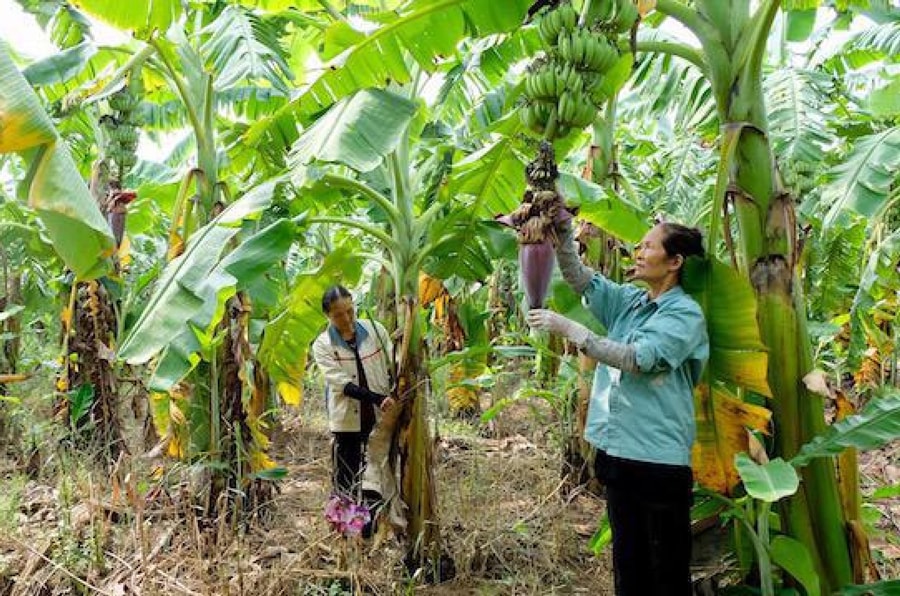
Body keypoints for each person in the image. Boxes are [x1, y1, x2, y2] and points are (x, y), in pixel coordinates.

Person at [527, 219, 708, 596]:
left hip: (658, 461)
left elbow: (640, 359)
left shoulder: (684, 314)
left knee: (665, 572)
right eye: (638, 246)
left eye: (647, 247)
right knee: (629, 566)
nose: (638, 253)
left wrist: (573, 330)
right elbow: (579, 278)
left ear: (674, 261)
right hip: (617, 453)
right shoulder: (631, 302)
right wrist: (561, 231)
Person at [312, 285, 401, 534]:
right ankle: (345, 532)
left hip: (378, 417)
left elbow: (394, 363)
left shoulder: (375, 331)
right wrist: (376, 398)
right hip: (347, 419)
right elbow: (341, 384)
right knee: (347, 475)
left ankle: (369, 529)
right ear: (328, 316)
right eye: (339, 315)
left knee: (376, 470)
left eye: (350, 311)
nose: (347, 319)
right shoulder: (323, 344)